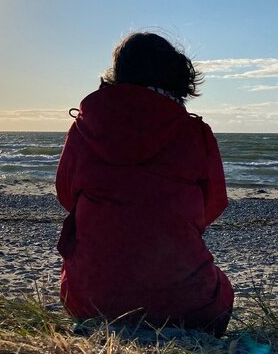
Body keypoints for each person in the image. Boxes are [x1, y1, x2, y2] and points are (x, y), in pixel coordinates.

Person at [55, 32, 233, 336]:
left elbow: (67, 194)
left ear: (118, 74)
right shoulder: (194, 133)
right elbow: (212, 205)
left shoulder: (84, 129)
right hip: (188, 307)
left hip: (88, 300)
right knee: (221, 289)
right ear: (177, 74)